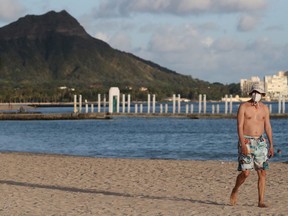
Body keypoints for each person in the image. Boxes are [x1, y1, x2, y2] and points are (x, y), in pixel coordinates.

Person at [230, 83, 274, 208]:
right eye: (255, 92)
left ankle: (260, 201)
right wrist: (242, 142)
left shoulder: (265, 108)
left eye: (259, 92)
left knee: (262, 172)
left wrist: (271, 144)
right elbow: (239, 126)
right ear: (251, 93)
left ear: (263, 95)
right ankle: (235, 189)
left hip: (260, 142)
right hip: (246, 141)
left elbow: (268, 127)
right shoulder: (243, 106)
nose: (257, 94)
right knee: (246, 173)